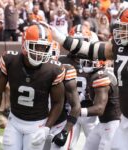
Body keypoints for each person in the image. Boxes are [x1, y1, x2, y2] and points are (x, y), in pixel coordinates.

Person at [45, 7, 128, 150]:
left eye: (125, 28)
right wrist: (61, 38)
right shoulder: (120, 46)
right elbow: (92, 50)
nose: (121, 31)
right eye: (121, 27)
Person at [0, 24, 65, 150]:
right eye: (36, 46)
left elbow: (58, 102)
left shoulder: (53, 69)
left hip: (37, 124)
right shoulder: (10, 60)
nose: (39, 52)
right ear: (25, 44)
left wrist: (47, 127)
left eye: (43, 48)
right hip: (14, 121)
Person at [79, 59, 121, 150]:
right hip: (103, 123)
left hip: (112, 123)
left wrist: (78, 111)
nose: (85, 65)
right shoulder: (95, 75)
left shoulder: (101, 77)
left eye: (89, 62)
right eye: (84, 62)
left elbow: (99, 109)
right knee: (88, 147)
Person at [48, 41, 81, 150]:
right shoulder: (31, 71)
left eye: (51, 52)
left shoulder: (66, 70)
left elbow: (76, 106)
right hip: (37, 123)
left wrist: (65, 131)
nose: (47, 56)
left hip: (59, 123)